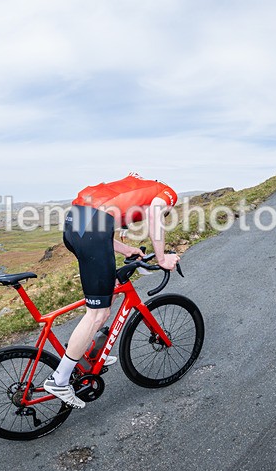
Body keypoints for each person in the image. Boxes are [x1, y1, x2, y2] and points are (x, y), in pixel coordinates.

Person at [43, 173, 180, 408]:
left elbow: (96, 225)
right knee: (97, 313)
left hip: (75, 224)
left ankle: (93, 351)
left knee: (108, 292)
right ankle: (60, 379)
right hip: (92, 229)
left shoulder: (131, 187)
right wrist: (162, 257)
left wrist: (127, 249)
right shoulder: (165, 193)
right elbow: (156, 216)